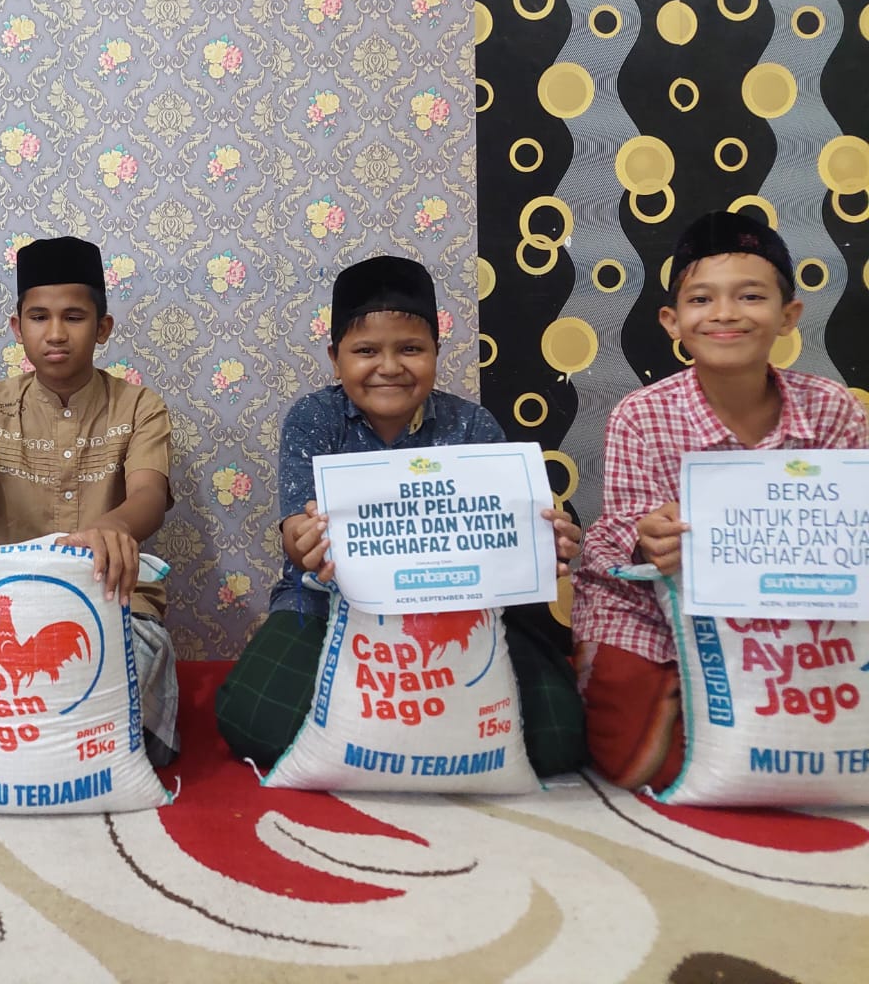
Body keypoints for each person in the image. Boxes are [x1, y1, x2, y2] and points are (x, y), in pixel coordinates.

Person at [214, 254, 585, 775]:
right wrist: (306, 543)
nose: (389, 367)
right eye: (366, 351)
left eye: (411, 349)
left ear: (436, 352)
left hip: (461, 611)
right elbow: (295, 538)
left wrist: (543, 544)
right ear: (335, 358)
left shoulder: (471, 425)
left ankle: (411, 734)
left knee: (558, 737)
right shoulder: (314, 419)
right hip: (326, 604)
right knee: (256, 721)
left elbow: (507, 539)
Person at [573, 210, 867, 790]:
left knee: (818, 726)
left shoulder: (832, 409)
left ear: (788, 316)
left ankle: (757, 715)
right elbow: (612, 546)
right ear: (672, 321)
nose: (726, 314)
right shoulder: (642, 416)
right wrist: (645, 540)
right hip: (653, 617)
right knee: (637, 758)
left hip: (796, 616)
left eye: (751, 296)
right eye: (701, 299)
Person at [0, 235, 180, 765]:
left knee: (127, 730)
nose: (56, 333)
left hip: (112, 597)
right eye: (39, 317)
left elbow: (149, 495)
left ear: (103, 328)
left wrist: (111, 528)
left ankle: (34, 747)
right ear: (17, 328)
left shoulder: (140, 406)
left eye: (74, 317)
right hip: (8, 598)